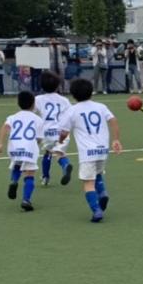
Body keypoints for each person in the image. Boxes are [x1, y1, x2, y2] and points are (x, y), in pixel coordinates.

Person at [58, 77, 122, 223]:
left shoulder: (72, 110)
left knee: (88, 182)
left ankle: (96, 210)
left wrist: (61, 140)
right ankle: (103, 193)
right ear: (91, 92)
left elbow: (64, 132)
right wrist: (116, 140)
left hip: (87, 153)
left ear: (73, 95)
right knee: (98, 173)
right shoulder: (101, 106)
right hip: (103, 150)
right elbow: (113, 120)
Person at [0, 90, 41, 211]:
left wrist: (0, 143)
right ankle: (26, 200)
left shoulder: (12, 117)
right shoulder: (37, 119)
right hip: (29, 148)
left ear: (18, 103)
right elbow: (39, 138)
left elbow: (5, 127)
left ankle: (14, 181)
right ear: (33, 104)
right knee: (30, 174)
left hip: (14, 148)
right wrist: (35, 145)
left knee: (17, 163)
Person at [35, 70, 74, 186]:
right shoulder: (64, 100)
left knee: (48, 153)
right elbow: (71, 115)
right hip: (62, 131)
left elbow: (31, 112)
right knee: (59, 153)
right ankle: (65, 165)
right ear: (57, 85)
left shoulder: (38, 99)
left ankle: (45, 177)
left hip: (47, 131)